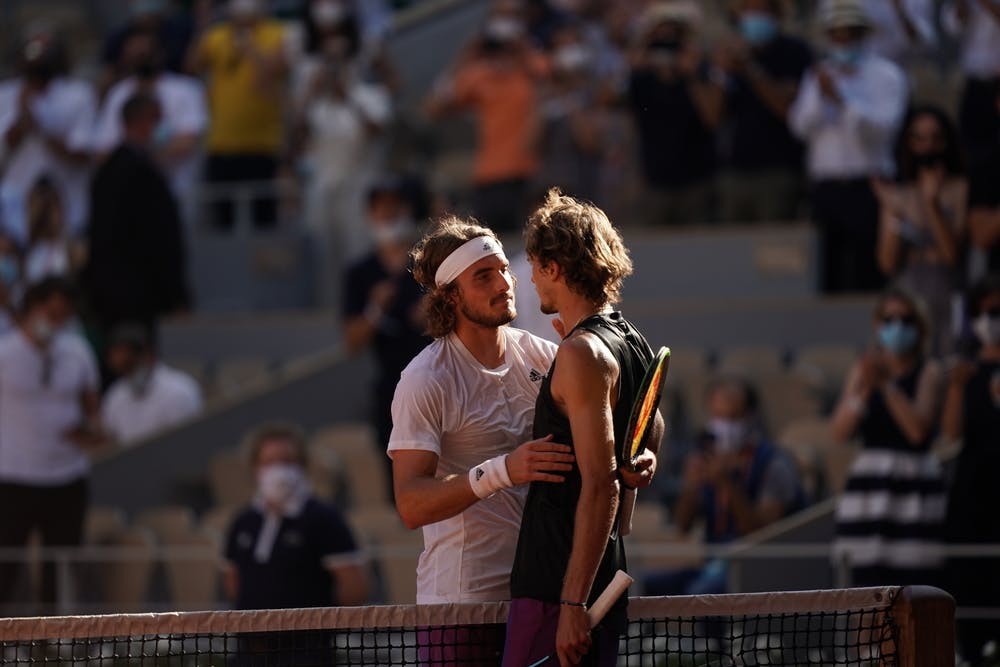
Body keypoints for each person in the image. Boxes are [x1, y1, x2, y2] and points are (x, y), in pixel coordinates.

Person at [387, 216, 574, 662]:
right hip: (459, 604)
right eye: (484, 276)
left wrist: (634, 451)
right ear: (451, 296)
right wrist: (503, 471)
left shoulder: (544, 355)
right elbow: (411, 504)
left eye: (504, 270)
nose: (505, 283)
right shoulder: (425, 379)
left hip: (537, 590)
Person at [505, 189, 663, 667]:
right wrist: (645, 458)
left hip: (560, 589)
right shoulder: (630, 339)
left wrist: (572, 604)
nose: (529, 279)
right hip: (599, 583)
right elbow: (652, 427)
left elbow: (600, 484)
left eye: (534, 266)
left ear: (553, 266)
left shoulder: (581, 353)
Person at [643, 376, 805, 597]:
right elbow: (682, 527)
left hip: (758, 569)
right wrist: (691, 486)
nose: (723, 426)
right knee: (650, 586)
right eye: (718, 417)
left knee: (701, 593)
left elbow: (763, 534)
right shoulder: (707, 459)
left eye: (732, 418)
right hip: (714, 565)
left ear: (750, 418)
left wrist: (725, 484)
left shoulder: (774, 464)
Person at [788, 0, 908, 293]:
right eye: (836, 35)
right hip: (826, 187)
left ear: (862, 35)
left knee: (870, 272)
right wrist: (821, 95)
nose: (842, 41)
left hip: (870, 186)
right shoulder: (818, 75)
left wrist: (842, 100)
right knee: (825, 273)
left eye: (849, 34)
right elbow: (800, 126)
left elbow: (882, 131)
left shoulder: (886, 75)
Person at [0, 277, 105, 611]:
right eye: (51, 312)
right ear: (32, 309)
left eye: (64, 315)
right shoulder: (5, 354)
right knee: (6, 564)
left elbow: (93, 408)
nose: (55, 321)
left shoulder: (77, 351)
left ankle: (52, 645)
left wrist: (88, 431)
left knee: (60, 568)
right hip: (14, 476)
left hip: (67, 476)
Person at [830, 287, 946, 586]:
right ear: (876, 324)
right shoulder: (863, 368)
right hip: (870, 488)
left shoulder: (929, 371)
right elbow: (840, 431)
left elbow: (918, 432)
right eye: (889, 318)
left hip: (913, 486)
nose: (897, 326)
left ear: (919, 326)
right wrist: (864, 388)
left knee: (912, 588)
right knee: (864, 587)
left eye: (906, 319)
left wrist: (886, 385)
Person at [342, 179, 430, 499]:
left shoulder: (430, 261)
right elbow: (352, 341)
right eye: (381, 209)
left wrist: (435, 312)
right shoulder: (360, 272)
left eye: (396, 207)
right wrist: (374, 310)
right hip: (390, 393)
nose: (389, 215)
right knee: (401, 487)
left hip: (440, 384)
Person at [83, 92, 190, 355]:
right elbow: (159, 238)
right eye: (157, 120)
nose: (163, 128)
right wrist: (175, 292)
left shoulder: (109, 169)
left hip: (114, 291)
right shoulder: (139, 172)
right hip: (138, 295)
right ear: (142, 122)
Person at [424, 1, 545, 232]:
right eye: (501, 16)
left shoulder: (532, 67)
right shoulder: (480, 74)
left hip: (530, 175)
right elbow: (434, 107)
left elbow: (552, 77)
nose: (506, 23)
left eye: (513, 16)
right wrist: (468, 52)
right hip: (490, 176)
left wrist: (522, 43)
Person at [224, 421, 368, 609]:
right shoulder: (243, 521)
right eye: (269, 462)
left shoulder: (324, 518)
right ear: (255, 467)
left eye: (286, 461)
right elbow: (233, 580)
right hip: (253, 637)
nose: (278, 471)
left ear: (302, 464)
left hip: (309, 637)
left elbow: (353, 587)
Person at [875, 105, 967, 357]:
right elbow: (887, 263)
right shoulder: (899, 196)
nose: (928, 147)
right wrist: (894, 214)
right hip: (908, 297)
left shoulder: (960, 189)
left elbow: (951, 256)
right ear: (909, 143)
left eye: (936, 138)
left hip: (947, 294)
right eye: (919, 138)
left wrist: (932, 205)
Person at [186, 0, 288, 229]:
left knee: (264, 223)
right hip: (221, 145)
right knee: (223, 223)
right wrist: (203, 26)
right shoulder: (217, 36)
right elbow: (191, 67)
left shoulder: (277, 34)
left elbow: (270, 76)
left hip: (261, 146)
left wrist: (250, 47)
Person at [941, 275, 1000, 663]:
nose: (989, 320)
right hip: (974, 498)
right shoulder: (967, 373)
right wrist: (957, 387)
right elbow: (951, 433)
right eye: (981, 312)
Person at [93, 29, 208, 226]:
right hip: (129, 203)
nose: (141, 59)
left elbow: (188, 142)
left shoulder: (185, 89)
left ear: (159, 53)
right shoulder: (118, 95)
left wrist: (137, 150)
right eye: (135, 54)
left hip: (177, 197)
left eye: (145, 53)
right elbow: (102, 152)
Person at [715, 0, 812, 223]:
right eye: (748, 9)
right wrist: (720, 73)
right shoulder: (729, 55)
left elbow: (787, 109)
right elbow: (713, 117)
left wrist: (751, 68)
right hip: (735, 173)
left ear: (777, 14)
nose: (754, 16)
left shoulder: (795, 52)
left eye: (761, 9)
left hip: (779, 172)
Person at [627, 1, 721, 225]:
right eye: (661, 35)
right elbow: (611, 100)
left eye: (675, 35)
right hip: (655, 182)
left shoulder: (701, 71)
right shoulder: (642, 76)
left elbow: (712, 117)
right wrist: (638, 60)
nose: (667, 43)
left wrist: (690, 74)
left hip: (697, 181)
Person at [0, 28, 96, 246]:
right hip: (15, 213)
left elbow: (82, 153)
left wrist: (41, 126)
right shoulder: (4, 95)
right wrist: (22, 120)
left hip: (68, 212)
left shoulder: (78, 95)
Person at [101, 323, 203, 445]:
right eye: (125, 371)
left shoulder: (179, 391)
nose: (129, 375)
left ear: (148, 355)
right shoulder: (115, 396)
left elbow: (189, 445)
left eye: (132, 365)